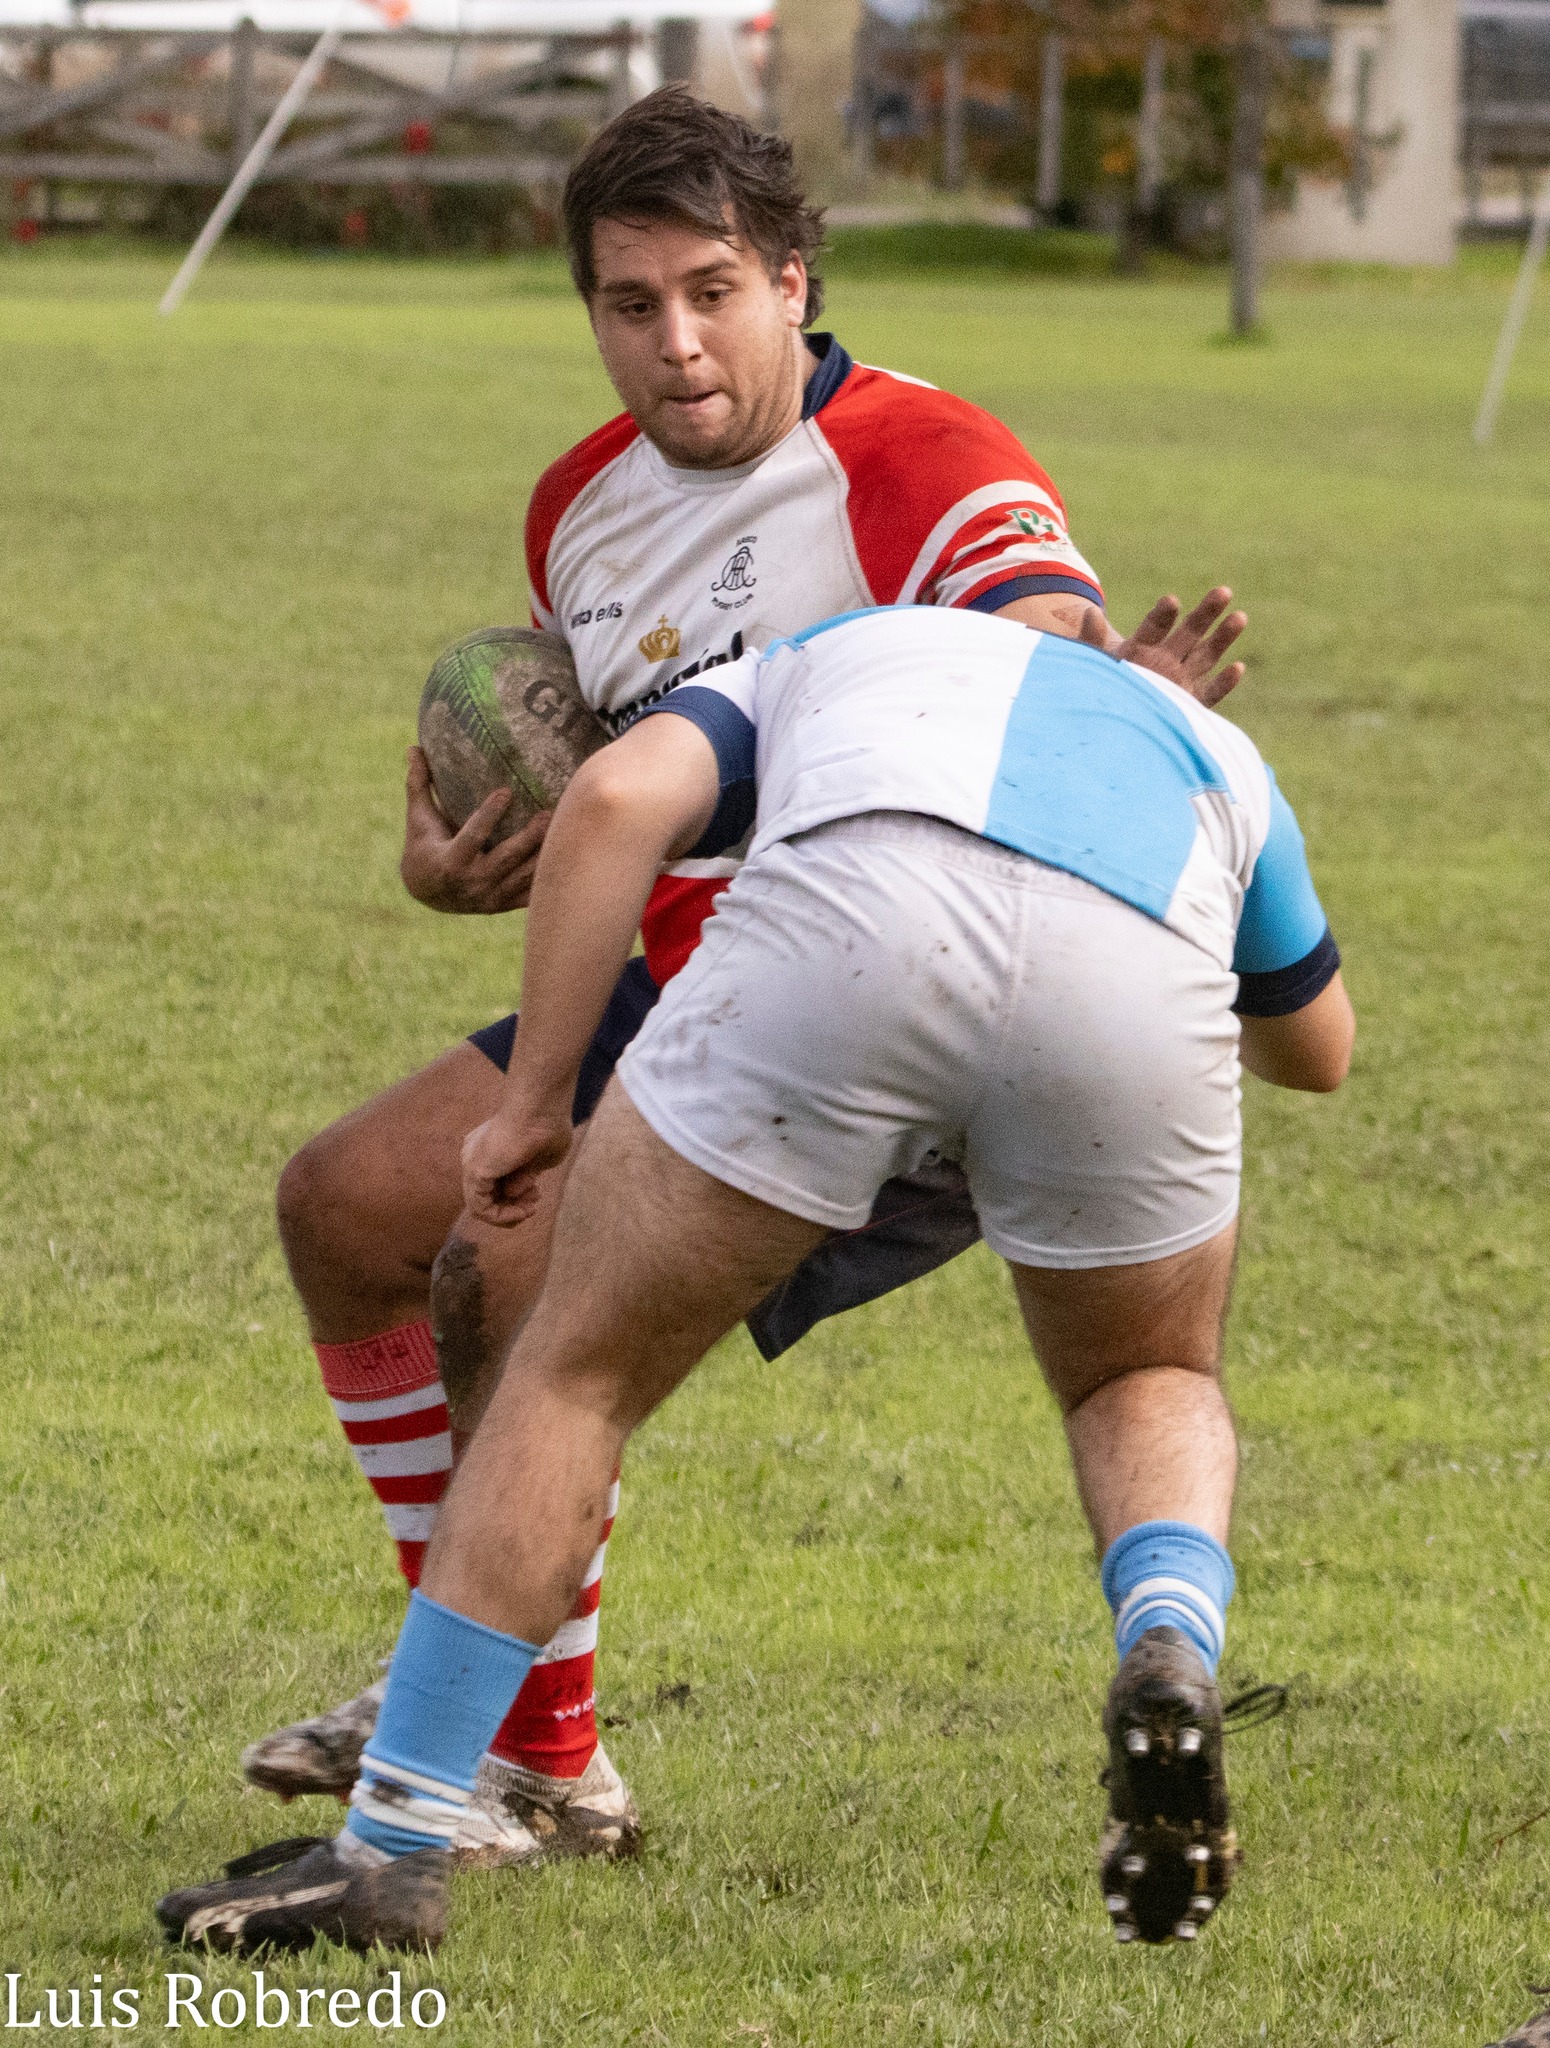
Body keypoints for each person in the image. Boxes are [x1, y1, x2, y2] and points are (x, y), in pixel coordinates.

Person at [248, 84, 1249, 1862]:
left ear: (793, 281)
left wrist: (1103, 686)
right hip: (678, 985)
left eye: (713, 291)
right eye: (630, 304)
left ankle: (481, 1735)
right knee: (345, 1202)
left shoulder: (927, 463)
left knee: (506, 1270)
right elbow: (600, 782)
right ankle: (530, 1741)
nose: (677, 344)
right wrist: (465, 853)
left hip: (878, 1001)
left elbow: (1034, 647)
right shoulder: (578, 506)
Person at [157, 601, 1353, 1954]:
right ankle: (1168, 1641)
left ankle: (389, 1847)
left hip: (858, 919)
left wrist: (537, 1101)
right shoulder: (1210, 752)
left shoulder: (840, 646)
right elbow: (1317, 1051)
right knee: (1144, 1371)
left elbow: (613, 797)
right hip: (1130, 968)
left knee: (575, 1374)